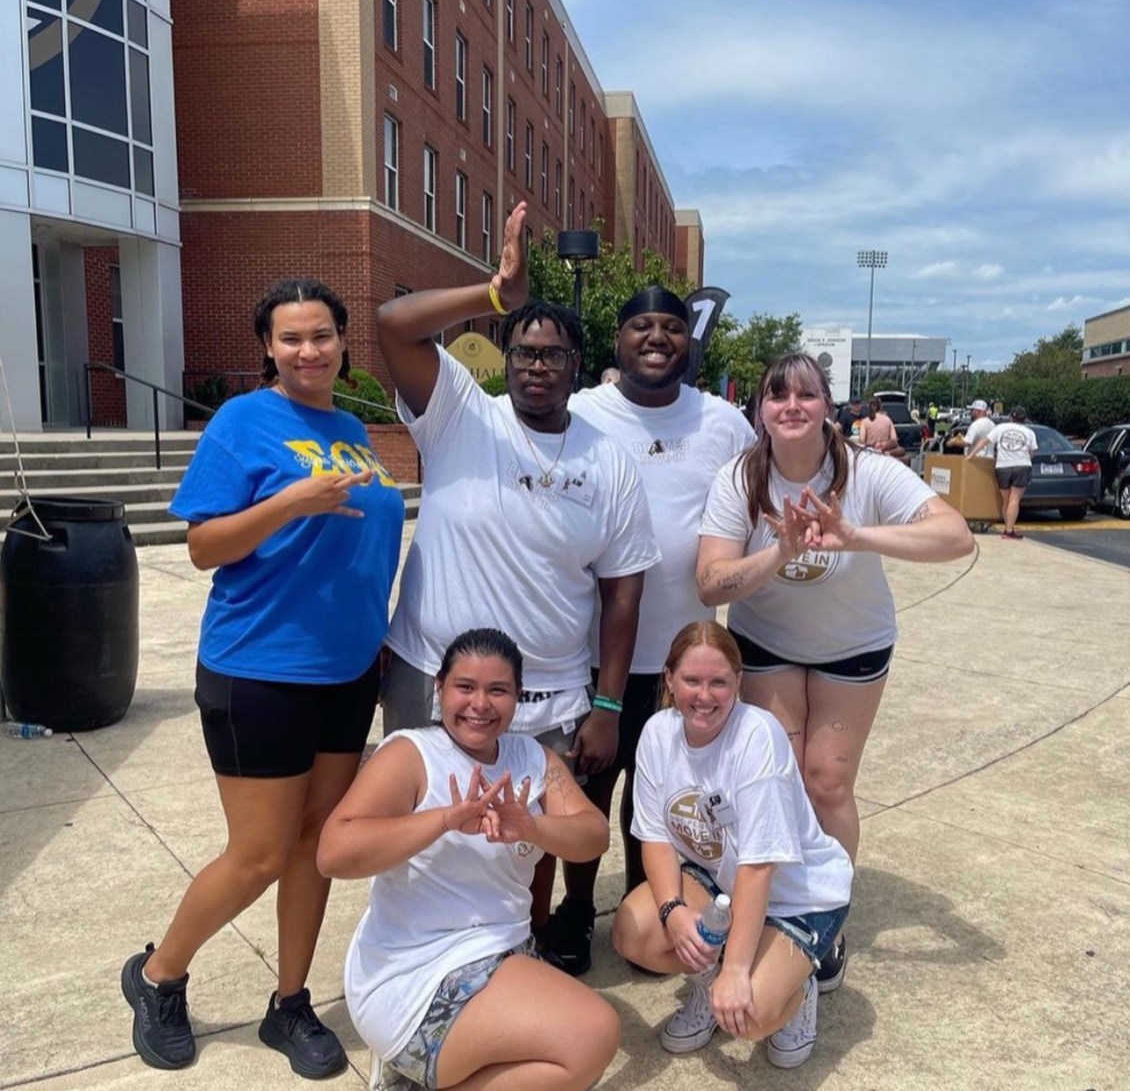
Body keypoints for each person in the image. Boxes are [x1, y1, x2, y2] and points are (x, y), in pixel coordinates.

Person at [121, 279, 405, 1077]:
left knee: (315, 845)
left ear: (343, 341)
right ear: (268, 349)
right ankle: (158, 975)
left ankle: (289, 1002)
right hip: (260, 668)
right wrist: (291, 502)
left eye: (322, 334)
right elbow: (203, 546)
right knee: (259, 853)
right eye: (291, 338)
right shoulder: (242, 422)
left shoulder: (352, 428)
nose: (308, 350)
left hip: (347, 672)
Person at [375, 201, 659, 928]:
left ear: (576, 365)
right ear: (506, 358)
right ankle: (422, 947)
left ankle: (519, 946)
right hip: (430, 671)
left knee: (526, 843)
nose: (537, 365)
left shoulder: (609, 461)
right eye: (525, 351)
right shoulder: (461, 414)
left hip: (551, 692)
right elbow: (393, 323)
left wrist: (607, 708)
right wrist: (496, 293)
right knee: (425, 826)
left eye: (553, 354)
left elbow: (623, 596)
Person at [696, 352, 973, 993]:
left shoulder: (867, 471)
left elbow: (956, 536)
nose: (792, 406)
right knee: (779, 782)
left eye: (806, 395)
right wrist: (779, 552)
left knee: (826, 783)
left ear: (828, 405)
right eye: (777, 396)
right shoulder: (741, 478)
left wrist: (856, 536)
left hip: (853, 645)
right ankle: (777, 903)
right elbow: (710, 582)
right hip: (767, 643)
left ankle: (826, 919)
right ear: (760, 410)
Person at [542, 286, 753, 974]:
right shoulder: (582, 413)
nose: (657, 337)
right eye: (641, 325)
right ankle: (577, 907)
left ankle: (648, 909)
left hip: (685, 660)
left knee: (660, 796)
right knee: (588, 789)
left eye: (671, 326)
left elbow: (765, 495)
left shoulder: (723, 421)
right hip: (593, 651)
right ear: (618, 340)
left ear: (689, 342)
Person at [319, 628, 620, 1091]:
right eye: (465, 687)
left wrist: (533, 826)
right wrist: (442, 821)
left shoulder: (532, 758)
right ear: (440, 687)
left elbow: (594, 835)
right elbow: (333, 853)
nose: (480, 704)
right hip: (416, 975)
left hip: (504, 955)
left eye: (498, 690)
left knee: (580, 1059)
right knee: (593, 1033)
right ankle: (412, 1069)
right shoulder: (412, 755)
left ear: (518, 696)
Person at [611, 622, 853, 1070]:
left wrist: (737, 972)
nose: (705, 696)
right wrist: (673, 912)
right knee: (633, 930)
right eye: (692, 680)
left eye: (719, 682)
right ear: (669, 679)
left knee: (749, 1015)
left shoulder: (757, 737)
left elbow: (759, 866)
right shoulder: (657, 733)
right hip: (720, 880)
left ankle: (798, 989)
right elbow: (655, 836)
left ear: (739, 682)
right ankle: (709, 986)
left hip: (798, 896)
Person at [967, 405, 1038, 540]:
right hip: (1021, 465)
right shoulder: (1029, 432)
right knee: (1014, 499)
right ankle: (1009, 530)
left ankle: (1008, 528)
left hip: (1002, 466)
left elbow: (984, 441)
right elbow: (1032, 452)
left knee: (1006, 500)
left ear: (1010, 417)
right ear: (1024, 419)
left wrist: (971, 455)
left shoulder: (1000, 428)